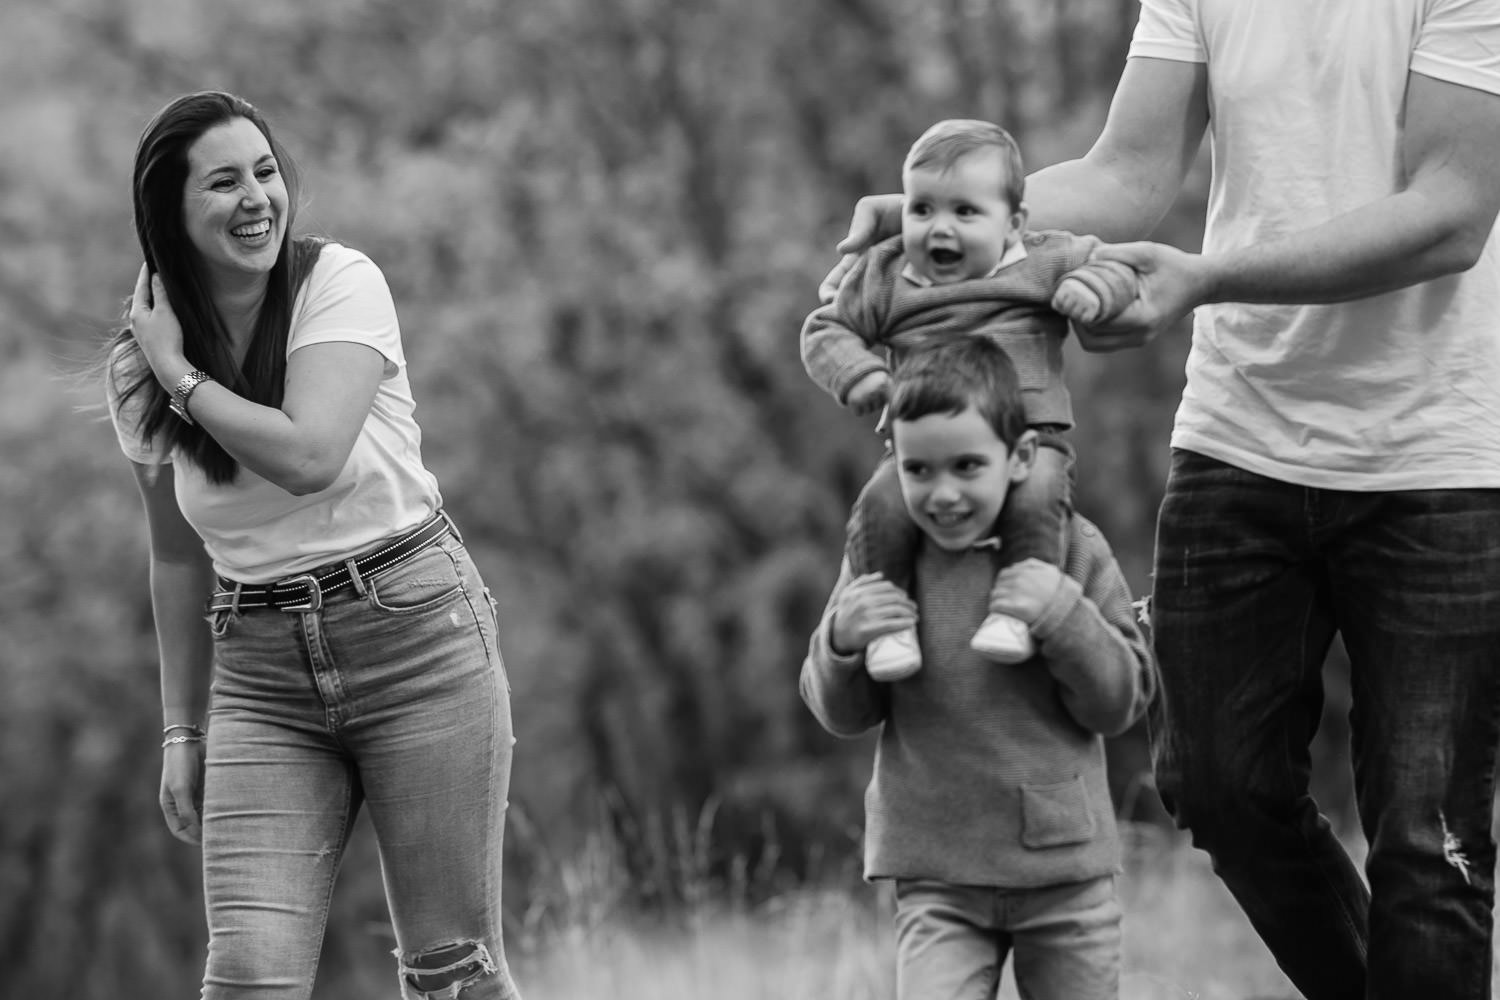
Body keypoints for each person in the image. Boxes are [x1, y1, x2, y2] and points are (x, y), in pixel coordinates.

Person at [828, 2, 1500, 997]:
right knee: (1215, 783)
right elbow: (1128, 175)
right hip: (1240, 432)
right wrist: (950, 218)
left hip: (1441, 454)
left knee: (1425, 844)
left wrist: (1208, 275)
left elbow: (1451, 212)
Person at [104, 91, 522, 1000]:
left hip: (415, 636)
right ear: (169, 216)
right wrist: (181, 731)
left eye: (265, 172)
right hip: (258, 676)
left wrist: (181, 373)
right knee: (248, 977)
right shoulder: (137, 370)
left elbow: (309, 455)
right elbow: (175, 556)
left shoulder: (338, 282)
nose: (257, 197)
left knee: (450, 972)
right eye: (222, 183)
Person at [801, 337, 1156, 1000]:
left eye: (967, 466)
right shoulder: (883, 561)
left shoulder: (1069, 551)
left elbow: (1122, 702)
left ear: (1020, 457)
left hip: (1062, 873)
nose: (943, 495)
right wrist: (842, 643)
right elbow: (842, 715)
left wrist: (1062, 616)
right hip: (935, 875)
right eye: (919, 470)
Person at [801, 118, 1137, 681]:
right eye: (922, 209)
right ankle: (888, 624)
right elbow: (822, 329)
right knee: (881, 506)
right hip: (926, 451)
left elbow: (1120, 269)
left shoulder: (1047, 259)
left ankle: (1016, 611)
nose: (941, 230)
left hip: (1030, 439)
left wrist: (1091, 290)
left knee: (1037, 499)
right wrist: (857, 373)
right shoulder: (884, 276)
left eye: (965, 212)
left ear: (1014, 224)